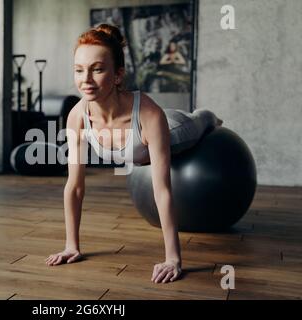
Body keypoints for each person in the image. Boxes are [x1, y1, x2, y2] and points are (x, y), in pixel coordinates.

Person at [45, 24, 222, 284]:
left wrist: (173, 258)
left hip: (173, 132)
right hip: (143, 143)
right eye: (79, 70)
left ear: (117, 75)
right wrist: (72, 245)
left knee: (197, 121)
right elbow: (75, 187)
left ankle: (207, 115)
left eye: (97, 69)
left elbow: (162, 190)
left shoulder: (149, 114)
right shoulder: (77, 116)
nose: (86, 80)